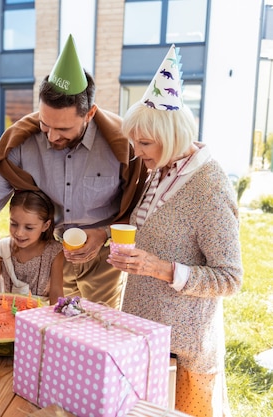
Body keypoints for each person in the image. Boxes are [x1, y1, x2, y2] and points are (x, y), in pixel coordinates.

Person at [0, 34, 147, 309]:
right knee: (53, 332)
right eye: (46, 124)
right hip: (53, 255)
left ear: (89, 113)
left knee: (99, 331)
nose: (52, 136)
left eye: (64, 129)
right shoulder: (21, 142)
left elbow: (140, 206)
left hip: (104, 260)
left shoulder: (121, 145)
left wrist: (103, 233)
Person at [107, 45, 242, 417]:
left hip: (183, 349)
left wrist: (160, 268)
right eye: (135, 141)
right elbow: (150, 236)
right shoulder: (161, 169)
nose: (137, 151)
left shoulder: (209, 187)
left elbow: (230, 279)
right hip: (146, 337)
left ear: (172, 135)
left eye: (144, 143)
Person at [0, 190, 64, 305]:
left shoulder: (55, 252)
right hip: (7, 312)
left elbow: (56, 293)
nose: (19, 233)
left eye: (29, 227)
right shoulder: (1, 250)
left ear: (45, 226)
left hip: (40, 316)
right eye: (14, 224)